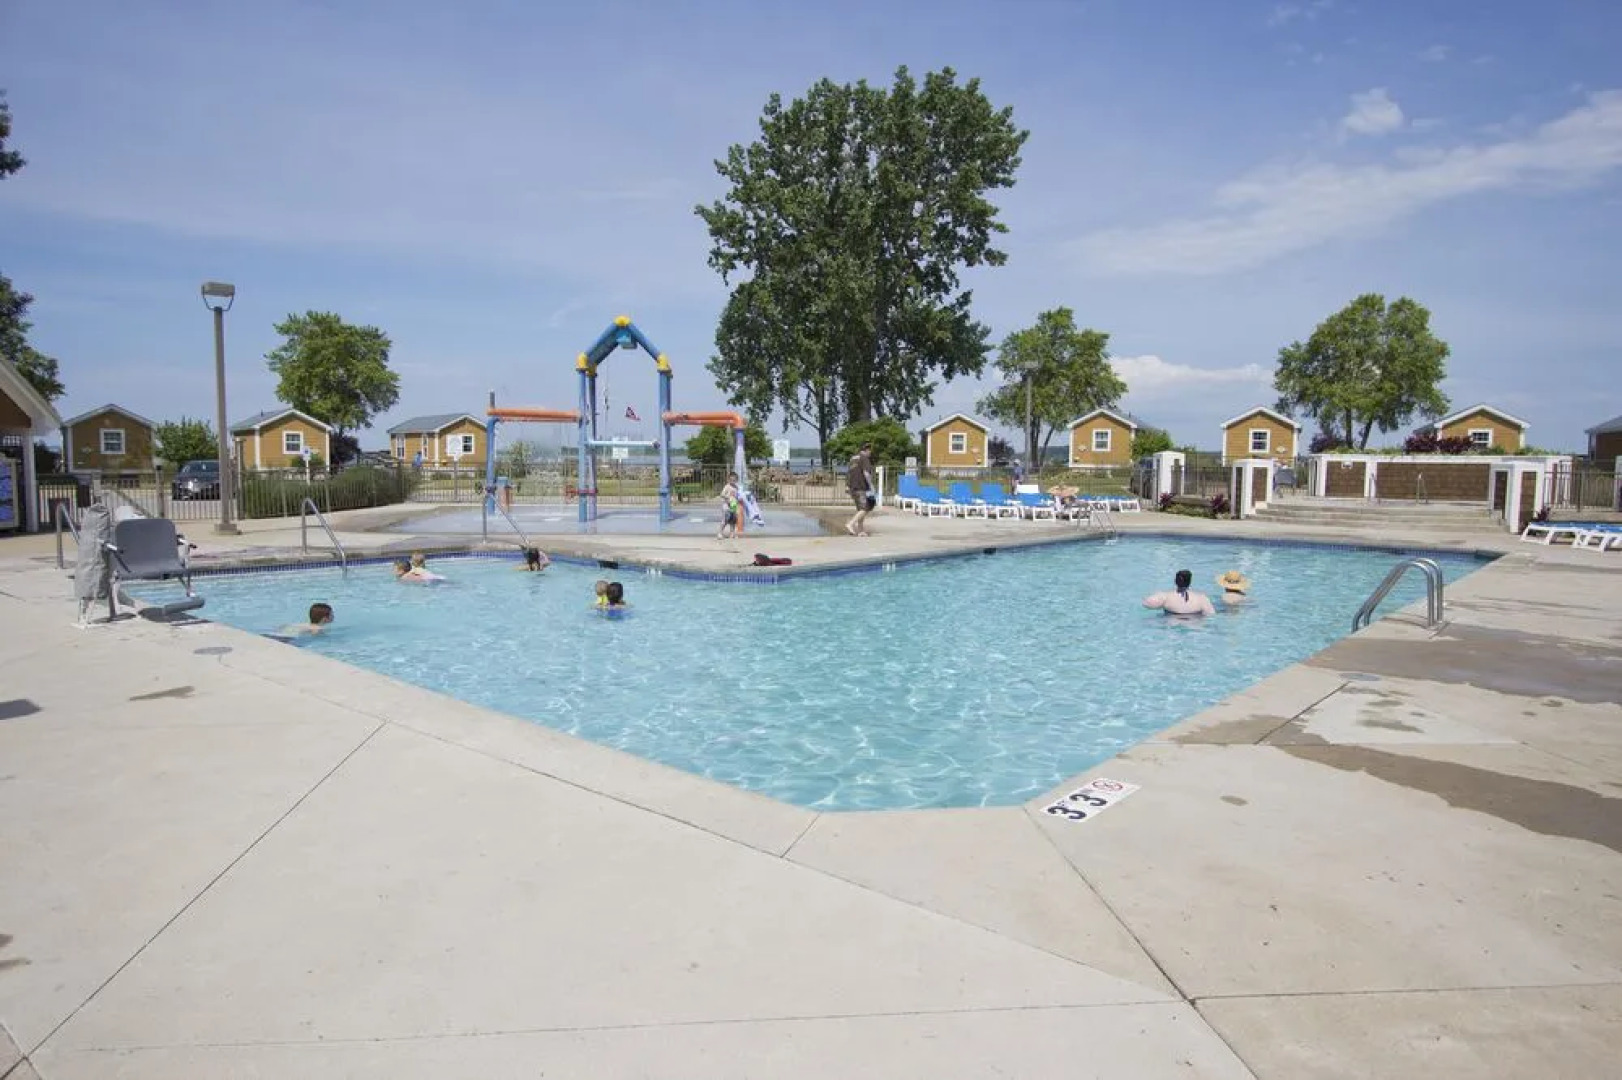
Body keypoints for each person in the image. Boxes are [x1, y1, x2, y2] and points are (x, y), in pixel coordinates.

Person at [1143, 569, 1216, 616]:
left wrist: (1157, 593)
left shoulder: (1165, 597)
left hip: (1171, 629)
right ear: (1190, 582)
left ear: (1175, 581)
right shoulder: (1202, 599)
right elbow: (1211, 615)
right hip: (1194, 629)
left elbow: (1146, 604)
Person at [845, 442, 875, 537]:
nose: (870, 453)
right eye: (870, 451)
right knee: (865, 508)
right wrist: (871, 485)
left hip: (852, 487)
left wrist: (847, 485)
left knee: (860, 509)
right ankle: (850, 524)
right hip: (861, 487)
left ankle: (861, 530)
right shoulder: (864, 458)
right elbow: (866, 473)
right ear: (867, 450)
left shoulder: (853, 459)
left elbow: (849, 473)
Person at [717, 472, 741, 540]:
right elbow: (722, 494)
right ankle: (720, 533)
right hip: (726, 506)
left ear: (737, 480)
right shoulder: (727, 486)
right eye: (731, 480)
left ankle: (732, 533)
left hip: (733, 506)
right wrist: (728, 497)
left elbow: (737, 496)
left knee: (733, 520)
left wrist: (738, 499)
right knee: (725, 520)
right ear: (729, 480)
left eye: (734, 480)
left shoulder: (736, 487)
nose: (733, 481)